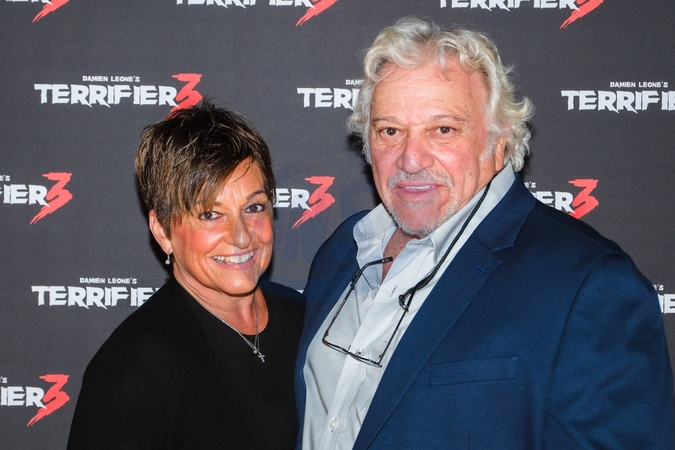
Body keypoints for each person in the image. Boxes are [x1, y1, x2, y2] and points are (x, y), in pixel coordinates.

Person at [296, 17, 674, 449]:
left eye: (443, 129)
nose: (410, 158)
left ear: (498, 143)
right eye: (390, 131)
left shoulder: (589, 286)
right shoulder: (343, 251)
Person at [68, 101, 304, 449]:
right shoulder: (133, 368)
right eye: (210, 214)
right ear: (163, 231)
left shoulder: (304, 317)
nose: (242, 236)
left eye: (254, 207)